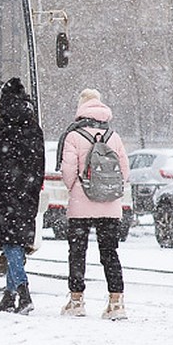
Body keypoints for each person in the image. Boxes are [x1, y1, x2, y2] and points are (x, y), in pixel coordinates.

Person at [59, 88, 131, 320]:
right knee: (110, 252)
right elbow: (125, 172)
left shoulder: (74, 136)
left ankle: (76, 300)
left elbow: (68, 170)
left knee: (78, 252)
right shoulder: (114, 136)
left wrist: (76, 190)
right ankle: (116, 302)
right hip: (110, 204)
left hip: (81, 204)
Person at [0, 78, 44, 314]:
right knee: (16, 242)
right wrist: (33, 187)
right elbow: (40, 163)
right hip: (27, 192)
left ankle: (24, 294)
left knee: (10, 243)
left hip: (3, 191)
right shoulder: (34, 126)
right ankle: (9, 295)